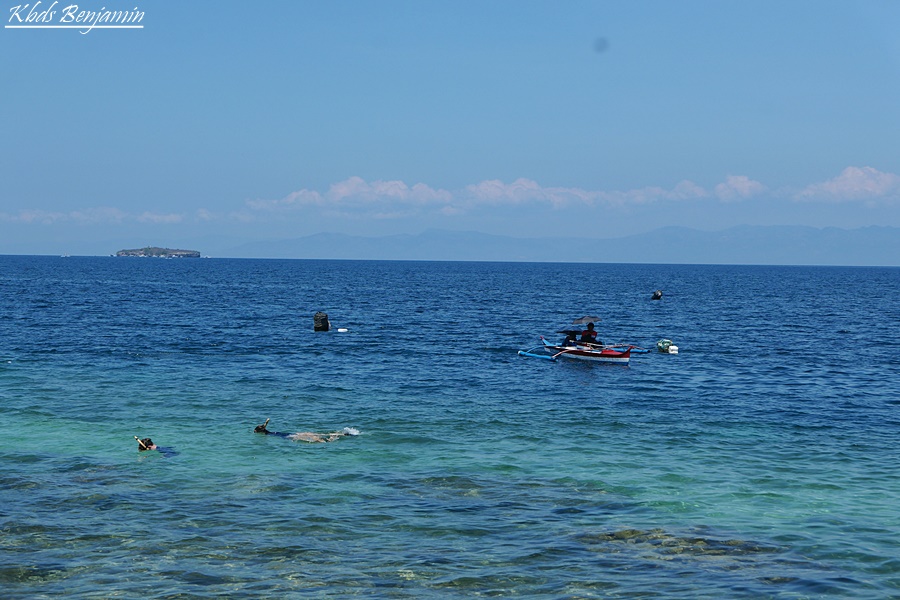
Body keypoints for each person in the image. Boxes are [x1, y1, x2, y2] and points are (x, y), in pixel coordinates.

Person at [254, 419, 359, 443]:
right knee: (317, 435)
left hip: (288, 436)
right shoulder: (265, 430)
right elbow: (265, 424)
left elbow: (263, 426)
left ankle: (332, 439)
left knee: (316, 439)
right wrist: (266, 421)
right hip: (290, 433)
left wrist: (265, 423)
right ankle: (341, 434)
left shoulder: (266, 433)